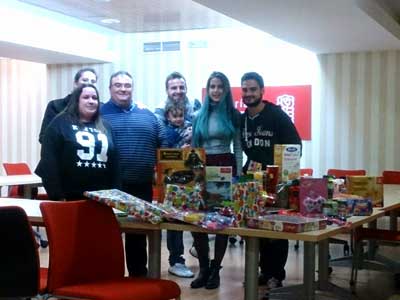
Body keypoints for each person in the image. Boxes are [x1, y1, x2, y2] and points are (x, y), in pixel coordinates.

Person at [100, 70, 167, 277]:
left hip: (141, 184)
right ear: (110, 88)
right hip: (108, 186)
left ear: (132, 88)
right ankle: (107, 278)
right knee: (106, 235)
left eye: (127, 85)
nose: (123, 89)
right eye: (118, 85)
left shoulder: (148, 116)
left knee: (137, 236)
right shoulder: (99, 114)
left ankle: (138, 278)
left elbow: (164, 145)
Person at [240, 72, 302, 290]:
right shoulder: (243, 119)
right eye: (245, 90)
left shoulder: (277, 115)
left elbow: (295, 146)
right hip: (252, 180)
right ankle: (264, 271)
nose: (248, 94)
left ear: (262, 91)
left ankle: (276, 274)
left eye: (253, 89)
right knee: (257, 228)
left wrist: (286, 178)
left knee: (276, 229)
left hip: (276, 182)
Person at [190, 71, 242, 289]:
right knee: (198, 219)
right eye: (212, 86)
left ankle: (215, 269)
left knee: (222, 220)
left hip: (225, 167)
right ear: (207, 89)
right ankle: (202, 268)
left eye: (220, 86)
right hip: (203, 167)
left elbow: (238, 147)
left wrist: (237, 176)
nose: (216, 90)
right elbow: (194, 148)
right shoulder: (198, 115)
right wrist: (193, 176)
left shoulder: (233, 114)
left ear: (226, 89)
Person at [35, 83, 119, 201]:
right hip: (69, 197)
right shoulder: (59, 123)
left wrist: (115, 195)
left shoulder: (106, 126)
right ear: (76, 101)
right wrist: (57, 196)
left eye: (95, 98)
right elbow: (49, 164)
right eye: (86, 97)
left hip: (102, 199)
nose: (91, 101)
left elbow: (115, 163)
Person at [162, 101, 195, 278]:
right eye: (174, 116)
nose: (178, 119)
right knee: (173, 223)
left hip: (189, 182)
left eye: (181, 115)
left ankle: (195, 250)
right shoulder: (165, 132)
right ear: (167, 117)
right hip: (171, 184)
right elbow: (163, 154)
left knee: (190, 217)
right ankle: (176, 259)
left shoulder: (191, 129)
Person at [39, 67, 97, 144]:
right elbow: (44, 137)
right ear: (75, 83)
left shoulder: (100, 108)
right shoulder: (56, 106)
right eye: (85, 80)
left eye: (93, 81)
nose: (89, 83)